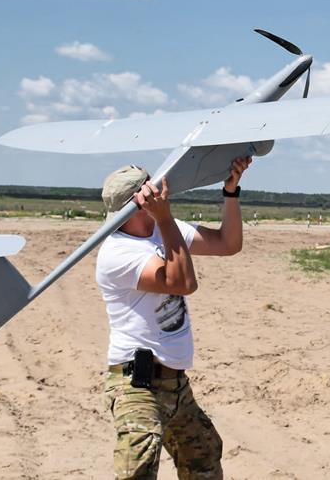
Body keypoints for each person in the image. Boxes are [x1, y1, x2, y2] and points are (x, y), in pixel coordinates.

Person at [96, 157, 251, 480]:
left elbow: (228, 244)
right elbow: (183, 283)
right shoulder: (116, 253)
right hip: (136, 385)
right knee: (137, 470)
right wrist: (165, 219)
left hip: (175, 382)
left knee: (204, 457)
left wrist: (230, 193)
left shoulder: (164, 228)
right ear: (141, 201)